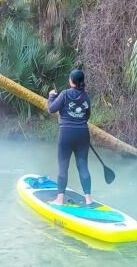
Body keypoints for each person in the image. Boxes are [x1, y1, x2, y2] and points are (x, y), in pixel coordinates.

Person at [47, 69, 93, 206]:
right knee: (83, 165)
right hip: (83, 133)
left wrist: (51, 97)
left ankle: (59, 199)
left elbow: (51, 109)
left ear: (71, 81)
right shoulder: (86, 96)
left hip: (66, 133)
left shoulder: (65, 94)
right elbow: (87, 115)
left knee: (63, 166)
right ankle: (88, 199)